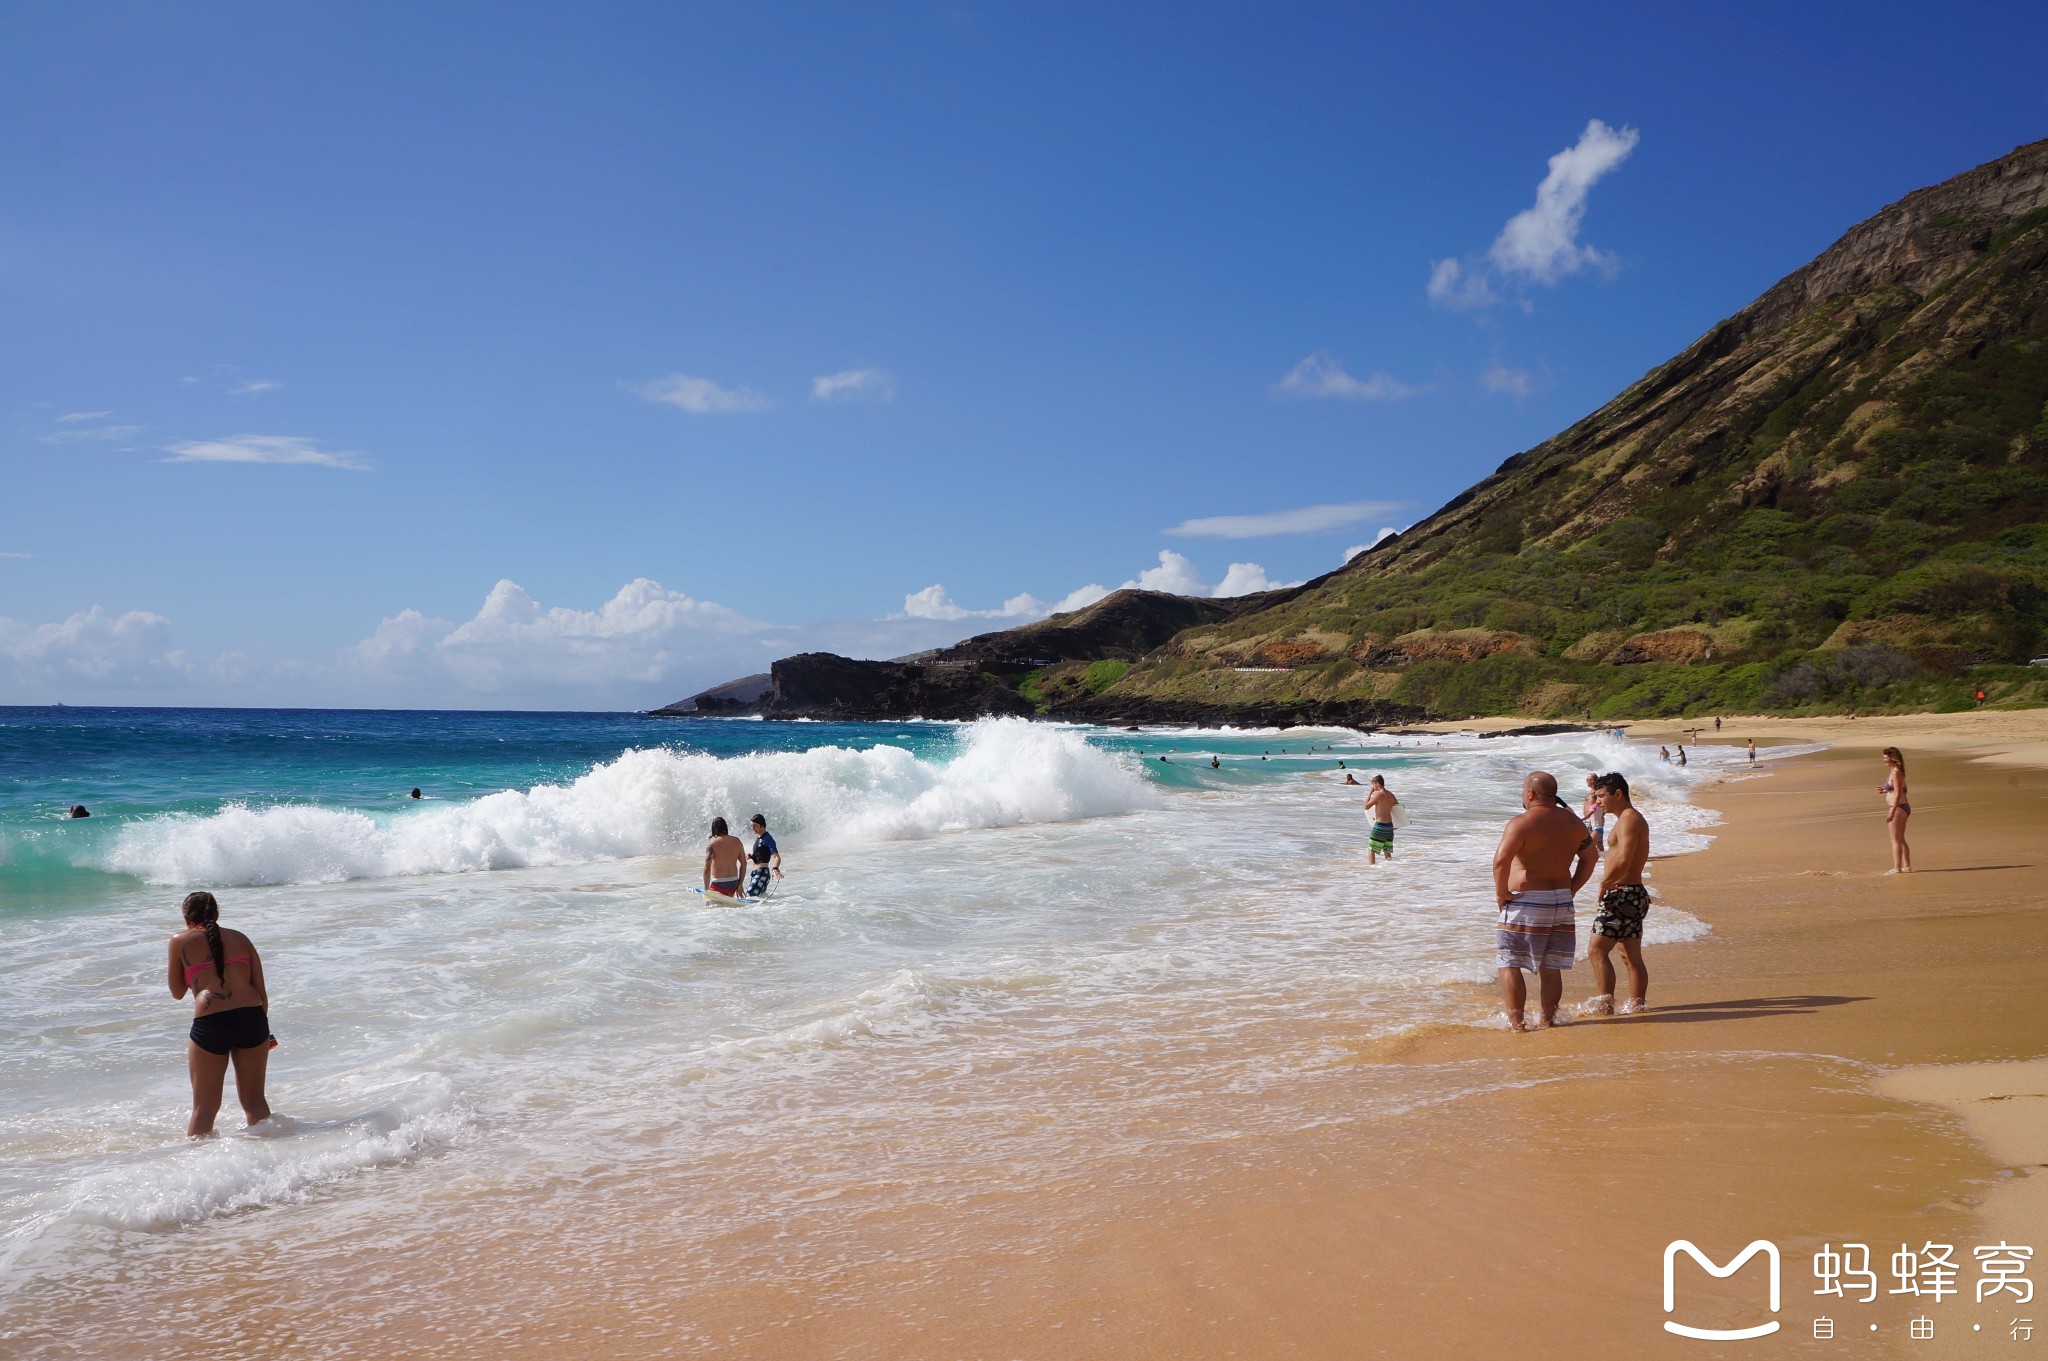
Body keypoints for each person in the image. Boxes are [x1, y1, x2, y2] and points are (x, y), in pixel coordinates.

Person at [1492, 772, 1599, 1031]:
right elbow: (1591, 858)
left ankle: (1517, 1023)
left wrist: (1501, 894)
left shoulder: (1521, 823)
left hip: (1527, 901)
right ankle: (1548, 1020)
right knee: (1551, 965)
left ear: (1530, 794)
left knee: (1509, 962)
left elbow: (1500, 861)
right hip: (1560, 900)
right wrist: (1571, 889)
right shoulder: (1573, 823)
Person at [167, 891, 273, 1137]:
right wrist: (264, 1032)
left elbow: (176, 991)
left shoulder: (179, 941)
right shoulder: (241, 939)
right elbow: (261, 992)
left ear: (186, 918)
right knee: (255, 1102)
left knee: (204, 1109)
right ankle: (273, 1161)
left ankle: (197, 1168)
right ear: (217, 914)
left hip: (211, 1021)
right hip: (252, 1018)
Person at [1584, 773, 1651, 1016]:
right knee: (1629, 955)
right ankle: (1637, 1006)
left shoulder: (1628, 819)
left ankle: (1606, 1006)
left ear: (1618, 794)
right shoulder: (1627, 819)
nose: (1598, 801)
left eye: (1602, 796)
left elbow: (1624, 859)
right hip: (1631, 893)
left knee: (1596, 951)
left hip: (1622, 893)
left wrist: (1605, 884)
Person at [1880, 747, 1912, 873]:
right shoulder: (1896, 771)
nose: (1883, 760)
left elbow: (1899, 794)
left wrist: (1892, 812)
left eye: (1885, 758)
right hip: (1902, 807)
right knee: (1901, 839)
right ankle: (1907, 867)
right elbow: (1904, 789)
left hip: (1898, 808)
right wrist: (1885, 790)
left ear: (1892, 758)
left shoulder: (1896, 772)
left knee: (1895, 840)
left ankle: (1897, 868)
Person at [703, 817, 747, 898]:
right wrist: (740, 883)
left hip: (718, 884)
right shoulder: (737, 841)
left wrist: (706, 890)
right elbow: (744, 863)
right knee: (727, 907)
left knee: (711, 908)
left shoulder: (712, 843)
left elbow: (706, 867)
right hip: (733, 883)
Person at [745, 814, 782, 897]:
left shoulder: (768, 839)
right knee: (759, 898)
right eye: (751, 826)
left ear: (762, 825)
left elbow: (776, 857)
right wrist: (751, 856)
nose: (752, 828)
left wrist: (775, 868)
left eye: (755, 826)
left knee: (750, 893)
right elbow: (759, 856)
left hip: (762, 873)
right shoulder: (758, 838)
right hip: (755, 873)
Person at [1364, 775, 1399, 864]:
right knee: (1386, 849)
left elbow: (1366, 806)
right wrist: (1397, 824)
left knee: (1371, 849)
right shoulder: (1391, 795)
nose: (1373, 787)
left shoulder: (1379, 795)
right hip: (1389, 826)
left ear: (1377, 783)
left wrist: (1370, 793)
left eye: (1373, 785)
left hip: (1380, 825)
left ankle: (1372, 870)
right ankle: (1389, 868)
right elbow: (1398, 809)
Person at [1580, 773, 1607, 855]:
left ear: (1592, 781)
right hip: (1588, 819)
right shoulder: (1591, 792)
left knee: (1597, 844)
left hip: (1594, 820)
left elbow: (1603, 804)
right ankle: (1599, 861)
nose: (1586, 781)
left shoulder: (1597, 793)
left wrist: (1601, 816)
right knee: (1589, 842)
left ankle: (1601, 862)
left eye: (1587, 780)